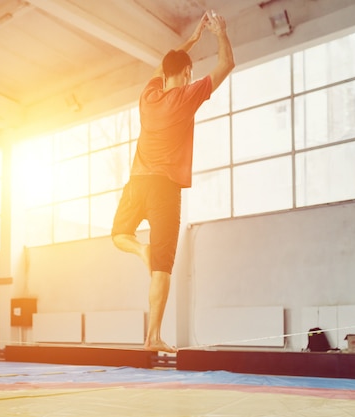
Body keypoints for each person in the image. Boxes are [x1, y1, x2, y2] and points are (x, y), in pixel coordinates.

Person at [111, 11, 235, 353]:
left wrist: (192, 40)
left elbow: (164, 65)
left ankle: (140, 249)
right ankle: (153, 338)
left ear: (163, 74)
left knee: (119, 235)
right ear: (187, 73)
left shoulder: (147, 97)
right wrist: (219, 33)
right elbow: (228, 63)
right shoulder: (187, 97)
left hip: (137, 183)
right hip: (165, 191)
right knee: (161, 268)